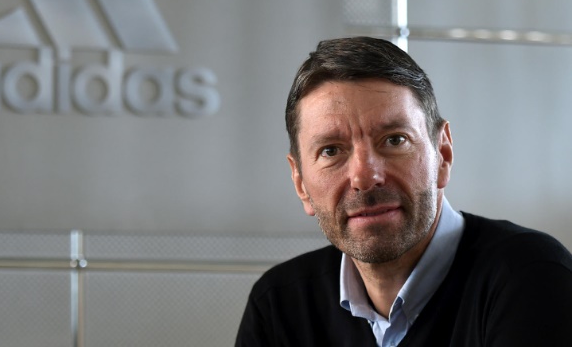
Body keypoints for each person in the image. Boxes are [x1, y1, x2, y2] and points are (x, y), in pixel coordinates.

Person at [235, 37, 572, 346]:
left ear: (443, 155)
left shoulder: (530, 276)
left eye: (395, 140)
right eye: (331, 151)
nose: (365, 177)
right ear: (300, 183)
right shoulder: (278, 305)